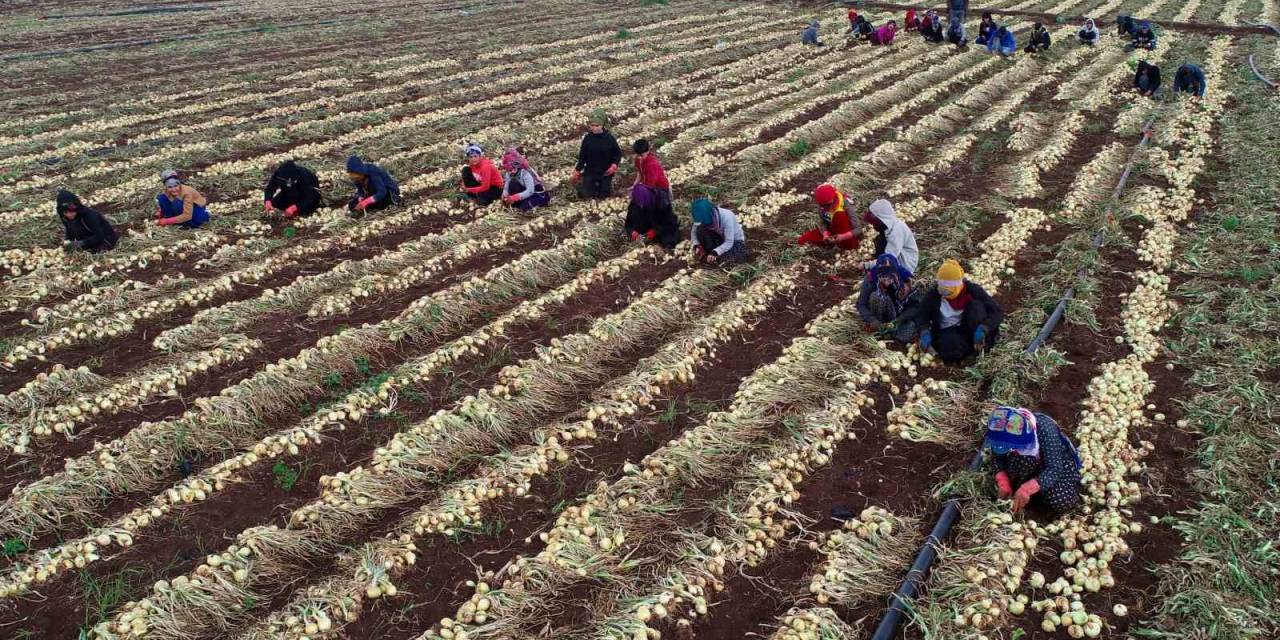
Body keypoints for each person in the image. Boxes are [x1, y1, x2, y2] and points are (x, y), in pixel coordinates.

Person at [984, 407, 1082, 515]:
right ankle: (1020, 491)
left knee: (1060, 500)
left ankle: (1036, 500)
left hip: (1056, 466)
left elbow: (1054, 469)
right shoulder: (1001, 430)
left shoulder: (1044, 430)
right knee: (1020, 463)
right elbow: (997, 456)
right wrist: (1003, 480)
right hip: (1030, 466)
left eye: (1013, 447)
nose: (1008, 448)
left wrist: (1028, 488)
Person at [917, 259, 1003, 363]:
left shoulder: (973, 290)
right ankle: (967, 354)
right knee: (949, 349)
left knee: (976, 307)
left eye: (948, 292)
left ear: (958, 286)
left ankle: (981, 348)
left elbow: (996, 311)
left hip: (972, 328)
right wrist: (924, 331)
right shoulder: (934, 295)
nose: (944, 294)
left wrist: (984, 327)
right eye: (941, 290)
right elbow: (922, 315)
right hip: (949, 331)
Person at [857, 253, 921, 342]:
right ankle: (881, 328)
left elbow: (916, 306)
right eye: (883, 278)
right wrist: (873, 320)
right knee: (875, 296)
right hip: (878, 314)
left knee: (909, 330)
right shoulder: (871, 279)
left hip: (899, 316)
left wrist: (900, 319)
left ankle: (890, 330)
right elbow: (861, 304)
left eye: (890, 278)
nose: (887, 282)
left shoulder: (907, 280)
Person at [860, 199, 919, 275]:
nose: (874, 225)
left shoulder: (896, 231)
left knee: (872, 280)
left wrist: (866, 265)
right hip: (895, 255)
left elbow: (889, 258)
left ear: (882, 218)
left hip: (906, 263)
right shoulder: (888, 227)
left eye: (875, 222)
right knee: (878, 239)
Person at [572, 112, 622, 200]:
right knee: (586, 194)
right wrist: (577, 170)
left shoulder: (609, 138)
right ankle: (586, 185)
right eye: (592, 125)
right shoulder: (588, 139)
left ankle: (606, 187)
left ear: (602, 125)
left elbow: (617, 153)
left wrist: (614, 165)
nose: (594, 128)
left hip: (606, 171)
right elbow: (582, 156)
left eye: (597, 125)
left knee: (604, 196)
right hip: (590, 171)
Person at [797, 183, 859, 251]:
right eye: (823, 205)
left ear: (834, 198)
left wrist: (843, 236)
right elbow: (823, 222)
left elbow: (858, 229)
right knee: (802, 240)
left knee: (839, 215)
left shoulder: (845, 203)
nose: (826, 207)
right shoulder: (822, 207)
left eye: (828, 205)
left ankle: (841, 246)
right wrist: (825, 234)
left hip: (846, 233)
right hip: (832, 233)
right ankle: (832, 244)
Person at [56, 189, 117, 253]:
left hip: (104, 239)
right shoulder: (64, 217)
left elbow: (99, 235)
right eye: (66, 212)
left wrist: (80, 243)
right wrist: (67, 242)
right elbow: (69, 230)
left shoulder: (90, 215)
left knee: (95, 253)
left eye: (71, 212)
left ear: (77, 208)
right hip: (86, 240)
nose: (69, 215)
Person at [690, 198, 746, 265]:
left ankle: (714, 254)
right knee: (700, 230)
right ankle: (709, 253)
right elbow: (693, 231)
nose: (702, 223)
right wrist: (697, 245)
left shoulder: (727, 217)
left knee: (727, 261)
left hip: (734, 241)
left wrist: (715, 252)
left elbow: (729, 242)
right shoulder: (701, 217)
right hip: (718, 237)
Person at [625, 184, 679, 251]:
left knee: (669, 239)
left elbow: (669, 221)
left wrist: (655, 230)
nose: (641, 206)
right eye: (639, 205)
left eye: (643, 204)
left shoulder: (662, 200)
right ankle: (647, 241)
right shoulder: (635, 203)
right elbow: (628, 224)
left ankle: (667, 248)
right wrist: (632, 232)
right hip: (646, 230)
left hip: (661, 226)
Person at [500, 147, 551, 212]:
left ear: (517, 166)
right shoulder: (509, 173)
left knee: (524, 208)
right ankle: (517, 203)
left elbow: (530, 190)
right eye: (510, 170)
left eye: (513, 169)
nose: (511, 171)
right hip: (523, 192)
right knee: (512, 183)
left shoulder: (525, 173)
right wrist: (504, 195)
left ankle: (523, 203)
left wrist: (515, 197)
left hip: (535, 193)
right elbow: (506, 187)